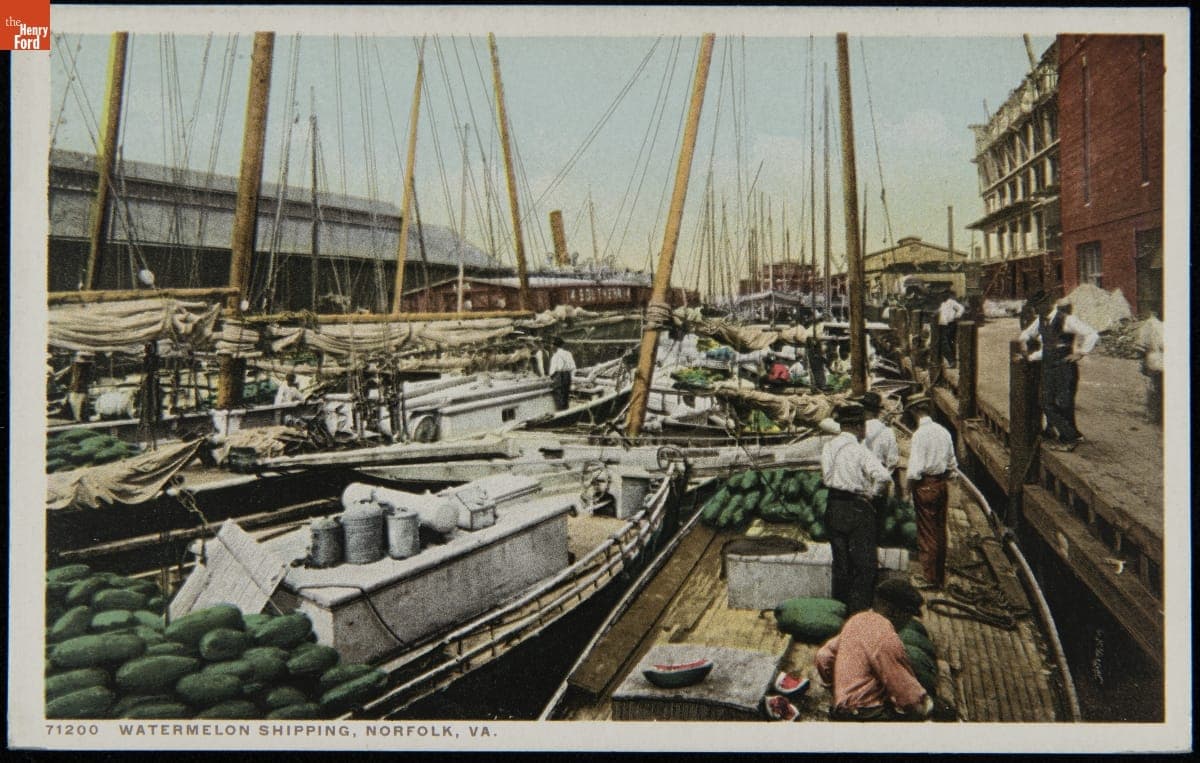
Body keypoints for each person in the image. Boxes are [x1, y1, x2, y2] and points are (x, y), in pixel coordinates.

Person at [815, 578, 934, 721]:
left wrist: (834, 686)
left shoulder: (856, 620)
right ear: (896, 612)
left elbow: (823, 656)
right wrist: (926, 708)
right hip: (868, 714)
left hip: (841, 708)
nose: (907, 623)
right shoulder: (886, 637)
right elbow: (905, 692)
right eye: (908, 617)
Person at [819, 407, 893, 614]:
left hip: (833, 506)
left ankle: (839, 612)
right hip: (856, 508)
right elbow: (884, 477)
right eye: (864, 427)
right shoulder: (859, 450)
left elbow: (826, 476)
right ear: (858, 426)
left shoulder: (828, 447)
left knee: (841, 564)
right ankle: (858, 613)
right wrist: (872, 493)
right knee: (864, 566)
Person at [1017, 296, 1099, 451]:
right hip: (1048, 366)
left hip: (1065, 367)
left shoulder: (1066, 319)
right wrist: (1025, 349)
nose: (1035, 310)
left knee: (1064, 403)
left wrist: (1080, 353)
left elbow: (1092, 334)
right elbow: (1027, 335)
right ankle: (1067, 434)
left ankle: (1069, 437)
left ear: (1048, 304)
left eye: (1038, 305)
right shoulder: (1040, 320)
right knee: (1045, 401)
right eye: (1034, 307)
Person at [904, 395, 957, 590]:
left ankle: (929, 578)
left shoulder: (919, 435)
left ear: (915, 412)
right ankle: (940, 576)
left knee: (926, 532)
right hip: (941, 484)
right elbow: (952, 464)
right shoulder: (943, 432)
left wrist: (907, 489)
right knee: (940, 530)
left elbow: (915, 468)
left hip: (925, 484)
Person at [860, 392, 902, 502]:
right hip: (881, 480)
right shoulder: (888, 432)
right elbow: (892, 460)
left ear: (863, 410)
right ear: (878, 411)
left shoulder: (859, 431)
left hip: (862, 480)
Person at [1134, 311, 1163, 425]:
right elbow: (1141, 344)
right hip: (1155, 360)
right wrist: (1142, 360)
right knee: (1155, 388)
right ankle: (1154, 415)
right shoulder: (1151, 323)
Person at [935, 291, 965, 368]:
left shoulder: (952, 302)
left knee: (945, 343)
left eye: (942, 296)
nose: (941, 298)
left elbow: (961, 308)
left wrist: (957, 315)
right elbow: (940, 311)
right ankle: (952, 361)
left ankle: (951, 360)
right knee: (947, 342)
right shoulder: (942, 304)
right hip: (943, 325)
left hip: (950, 324)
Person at [548, 336, 576, 410]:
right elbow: (573, 367)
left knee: (558, 395)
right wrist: (571, 378)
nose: (551, 346)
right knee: (565, 394)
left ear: (554, 346)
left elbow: (552, 371)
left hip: (558, 376)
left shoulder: (555, 356)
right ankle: (566, 410)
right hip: (567, 375)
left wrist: (549, 378)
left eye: (552, 345)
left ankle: (560, 411)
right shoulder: (568, 353)